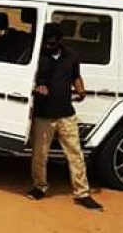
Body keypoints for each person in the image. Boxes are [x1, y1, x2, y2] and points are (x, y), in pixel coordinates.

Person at [26, 23, 104, 211]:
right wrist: (36, 87)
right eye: (45, 42)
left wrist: (80, 89)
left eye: (51, 43)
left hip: (66, 113)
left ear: (59, 41)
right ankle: (39, 187)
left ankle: (82, 193)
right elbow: (25, 79)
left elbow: (75, 76)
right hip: (43, 114)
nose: (48, 46)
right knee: (39, 155)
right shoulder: (36, 55)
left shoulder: (71, 56)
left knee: (75, 154)